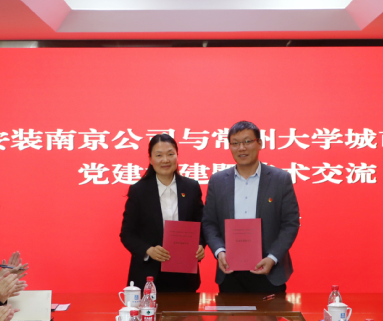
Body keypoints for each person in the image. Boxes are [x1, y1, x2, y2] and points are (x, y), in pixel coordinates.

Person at [202, 120, 300, 294]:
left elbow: (290, 223)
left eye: (247, 141)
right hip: (230, 272)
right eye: (235, 143)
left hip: (270, 271)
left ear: (259, 143)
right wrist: (219, 251)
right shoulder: (218, 181)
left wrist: (272, 258)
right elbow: (209, 222)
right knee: (230, 313)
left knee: (272, 313)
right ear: (230, 146)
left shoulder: (280, 179)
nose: (242, 148)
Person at [120, 133, 206, 292]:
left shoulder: (191, 188)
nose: (165, 160)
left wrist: (200, 245)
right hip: (148, 274)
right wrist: (148, 250)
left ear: (177, 156)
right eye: (159, 155)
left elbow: (202, 225)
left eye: (170, 154)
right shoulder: (139, 191)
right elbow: (127, 234)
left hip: (185, 275)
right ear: (151, 159)